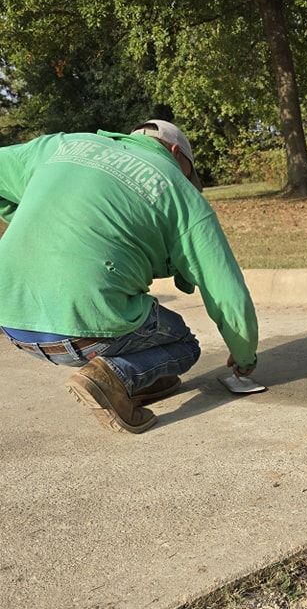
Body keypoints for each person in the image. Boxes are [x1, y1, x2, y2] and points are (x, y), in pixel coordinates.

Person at [0, 119, 258, 433]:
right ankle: (112, 378)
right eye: (190, 173)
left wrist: (23, 216)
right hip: (84, 334)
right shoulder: (178, 190)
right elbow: (225, 289)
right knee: (184, 344)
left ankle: (136, 381)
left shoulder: (60, 145)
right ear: (177, 154)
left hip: (12, 323)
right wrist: (244, 356)